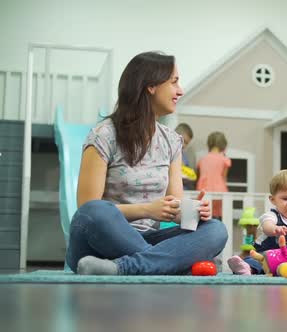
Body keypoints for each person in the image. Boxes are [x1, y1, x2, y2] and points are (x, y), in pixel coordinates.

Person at [66, 51, 228, 275]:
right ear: (151, 86)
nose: (180, 91)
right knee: (96, 211)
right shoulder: (103, 136)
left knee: (216, 230)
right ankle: (169, 264)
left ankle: (124, 268)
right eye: (174, 82)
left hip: (148, 241)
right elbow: (86, 210)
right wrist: (147, 210)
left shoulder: (171, 141)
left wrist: (193, 212)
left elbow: (174, 205)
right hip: (98, 243)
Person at [196, 131, 231, 219]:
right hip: (219, 190)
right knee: (217, 215)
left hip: (203, 189)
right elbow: (224, 177)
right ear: (223, 144)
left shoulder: (202, 159)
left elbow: (200, 175)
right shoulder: (224, 159)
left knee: (204, 213)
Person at [175, 123, 197, 190]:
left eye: (187, 143)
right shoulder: (167, 152)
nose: (184, 145)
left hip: (184, 190)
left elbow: (190, 174)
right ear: (174, 135)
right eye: (183, 141)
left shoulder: (184, 156)